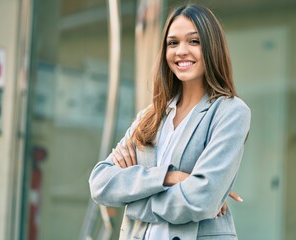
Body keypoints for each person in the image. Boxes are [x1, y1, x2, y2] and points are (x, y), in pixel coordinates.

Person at [89, 4, 251, 240]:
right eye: (173, 43)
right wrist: (169, 177)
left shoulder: (230, 112)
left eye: (194, 41)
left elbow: (201, 200)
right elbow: (101, 183)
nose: (181, 51)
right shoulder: (150, 116)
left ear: (212, 47)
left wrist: (133, 201)